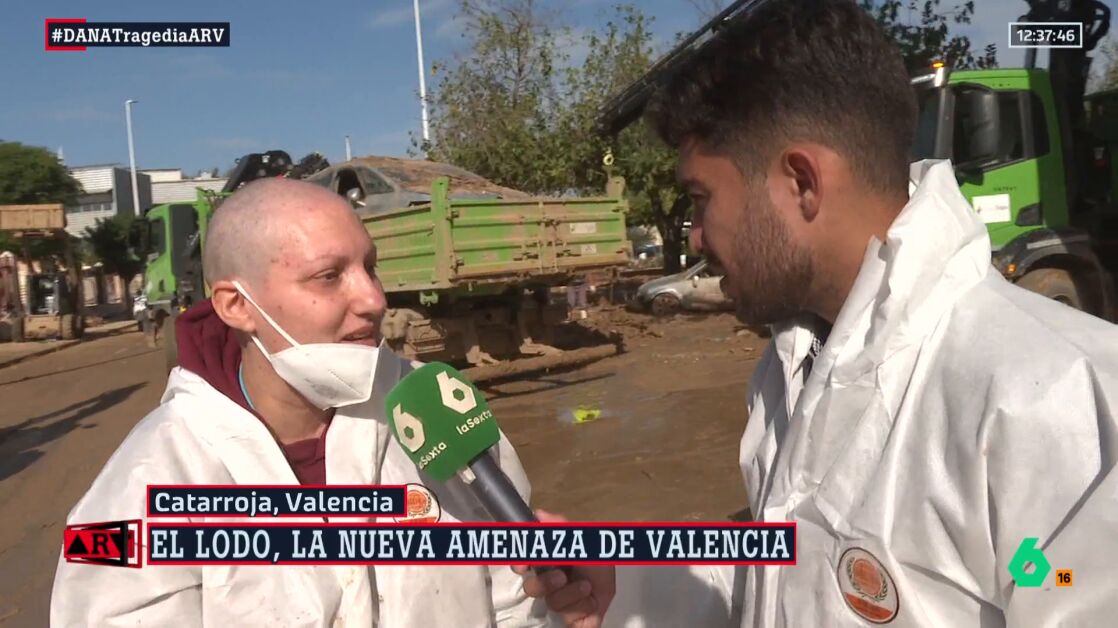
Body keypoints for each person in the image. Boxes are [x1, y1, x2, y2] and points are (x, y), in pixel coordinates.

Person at [521, 0, 1118, 626]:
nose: (695, 237)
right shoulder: (794, 361)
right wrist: (630, 575)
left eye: (701, 198)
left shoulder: (1058, 401)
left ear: (802, 181)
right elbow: (790, 565)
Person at [51, 178, 549, 626]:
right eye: (328, 276)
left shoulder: (433, 409)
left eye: (370, 268)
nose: (374, 299)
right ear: (236, 305)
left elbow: (519, 599)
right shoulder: (148, 479)